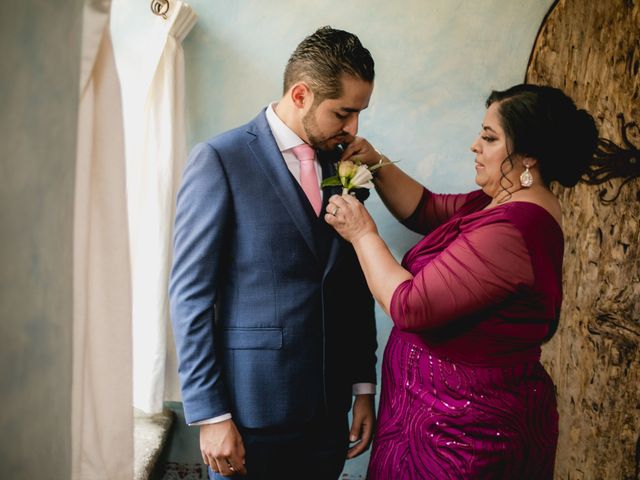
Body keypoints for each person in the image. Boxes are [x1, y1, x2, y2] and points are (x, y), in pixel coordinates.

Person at [324, 84, 598, 479]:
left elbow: (410, 305)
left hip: (464, 435)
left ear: (529, 154)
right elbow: (426, 209)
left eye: (489, 138)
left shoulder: (515, 229)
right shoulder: (500, 202)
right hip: (439, 419)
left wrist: (362, 233)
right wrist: (376, 162)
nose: (474, 146)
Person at [169, 27, 378, 479]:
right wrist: (211, 416)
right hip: (248, 417)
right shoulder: (219, 160)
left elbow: (352, 281)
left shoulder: (343, 165)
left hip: (328, 414)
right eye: (343, 112)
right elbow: (191, 297)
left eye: (360, 113)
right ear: (301, 94)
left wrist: (363, 385)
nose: (353, 128)